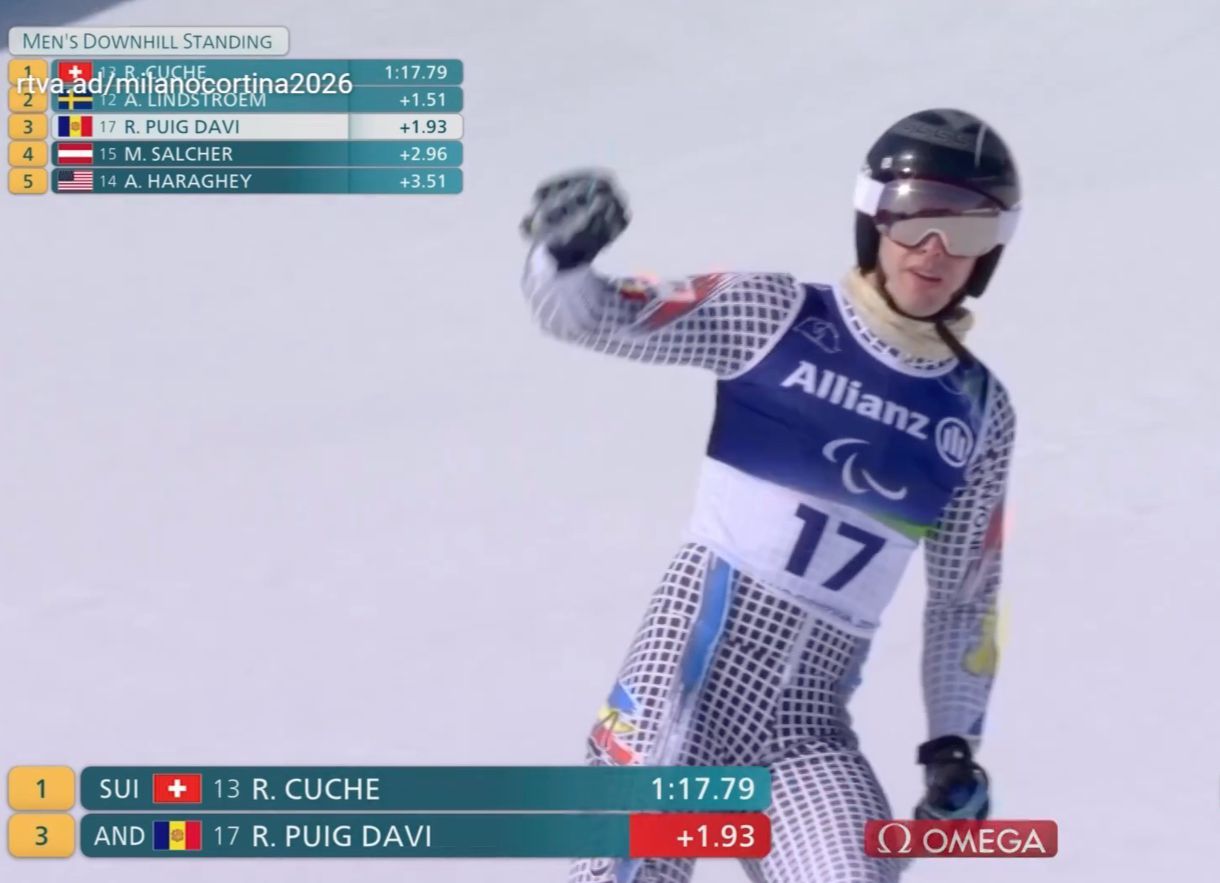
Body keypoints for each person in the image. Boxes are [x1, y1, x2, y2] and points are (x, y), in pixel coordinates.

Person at [520, 108, 1020, 883]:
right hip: (684, 682)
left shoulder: (979, 413)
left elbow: (967, 596)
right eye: (919, 213)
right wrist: (564, 253)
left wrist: (953, 743)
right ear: (875, 215)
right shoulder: (773, 314)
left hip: (805, 728)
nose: (937, 250)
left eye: (972, 230)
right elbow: (586, 316)